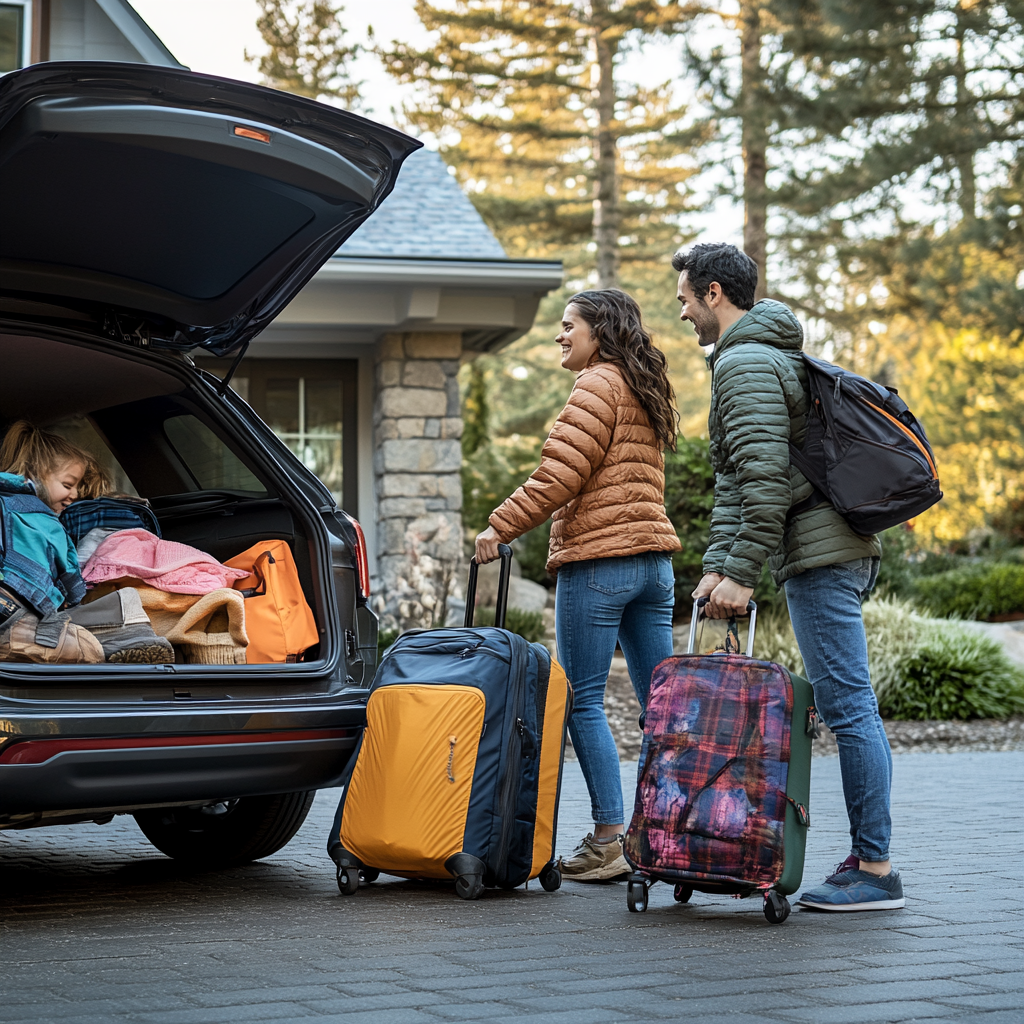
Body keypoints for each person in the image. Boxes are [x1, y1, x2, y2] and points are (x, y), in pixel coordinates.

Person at [673, 242, 905, 912]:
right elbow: (734, 482)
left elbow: (766, 479)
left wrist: (742, 573)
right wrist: (719, 564)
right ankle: (869, 856)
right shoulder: (759, 356)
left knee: (849, 708)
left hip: (823, 555)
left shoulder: (745, 362)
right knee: (848, 706)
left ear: (715, 293)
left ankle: (877, 868)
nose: (683, 312)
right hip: (826, 548)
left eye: (687, 299)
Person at [475, 289, 681, 882]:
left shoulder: (596, 384)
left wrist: (499, 527)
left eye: (569, 326)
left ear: (599, 332)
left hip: (600, 565)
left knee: (581, 700)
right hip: (653, 566)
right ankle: (664, 830)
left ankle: (611, 836)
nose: (561, 336)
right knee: (660, 708)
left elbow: (560, 475)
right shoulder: (642, 387)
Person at [0, 421, 172, 664]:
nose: (76, 495)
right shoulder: (47, 521)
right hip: (29, 607)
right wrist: (76, 596)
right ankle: (115, 642)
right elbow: (70, 574)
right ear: (34, 476)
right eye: (68, 485)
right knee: (86, 642)